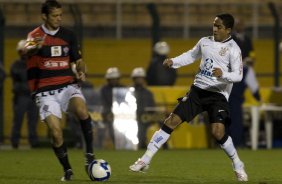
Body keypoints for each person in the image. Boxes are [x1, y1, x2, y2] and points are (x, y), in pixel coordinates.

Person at [129, 13, 248, 182]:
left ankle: (237, 164)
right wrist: (173, 61)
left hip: (217, 95)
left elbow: (238, 76)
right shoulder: (205, 41)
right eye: (214, 25)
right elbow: (191, 55)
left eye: (219, 26)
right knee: (171, 121)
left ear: (228, 30)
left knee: (218, 132)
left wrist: (224, 74)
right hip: (197, 91)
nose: (215, 29)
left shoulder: (234, 49)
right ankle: (145, 159)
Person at [24, 0, 95, 181]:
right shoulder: (35, 35)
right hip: (44, 92)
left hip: (67, 85)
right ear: (44, 16)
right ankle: (67, 169)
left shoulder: (69, 35)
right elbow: (27, 52)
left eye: (61, 15)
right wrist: (34, 48)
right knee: (56, 133)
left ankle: (90, 155)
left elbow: (78, 60)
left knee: (82, 110)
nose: (59, 19)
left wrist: (81, 69)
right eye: (55, 16)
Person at [229, 18, 261, 147]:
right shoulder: (231, 40)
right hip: (233, 85)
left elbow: (252, 54)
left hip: (232, 87)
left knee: (231, 118)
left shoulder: (247, 39)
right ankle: (233, 142)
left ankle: (229, 142)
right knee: (234, 118)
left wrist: (250, 59)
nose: (240, 26)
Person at [10, 39, 39, 149]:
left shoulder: (34, 63)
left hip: (33, 95)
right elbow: (22, 76)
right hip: (21, 95)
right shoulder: (16, 65)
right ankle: (15, 141)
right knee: (18, 119)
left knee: (33, 120)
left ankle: (34, 142)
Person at [131, 67, 156, 149]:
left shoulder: (148, 93)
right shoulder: (129, 91)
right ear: (134, 79)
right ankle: (140, 144)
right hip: (131, 118)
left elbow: (152, 107)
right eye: (137, 78)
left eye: (141, 78)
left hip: (145, 119)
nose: (139, 80)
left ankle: (164, 147)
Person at [99, 67, 124, 148]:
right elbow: (103, 103)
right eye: (111, 79)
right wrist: (109, 113)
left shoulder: (123, 88)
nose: (113, 80)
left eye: (115, 79)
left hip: (123, 114)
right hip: (109, 115)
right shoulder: (104, 89)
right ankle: (117, 145)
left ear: (118, 79)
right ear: (108, 79)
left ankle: (124, 145)